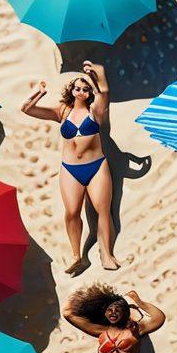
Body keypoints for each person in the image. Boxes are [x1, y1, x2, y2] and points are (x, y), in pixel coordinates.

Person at [21, 62, 119, 274]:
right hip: (70, 169)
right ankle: (76, 255)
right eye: (77, 88)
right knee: (72, 212)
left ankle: (107, 253)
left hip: (96, 166)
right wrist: (40, 92)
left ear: (89, 92)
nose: (81, 91)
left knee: (103, 210)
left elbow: (105, 90)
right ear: (71, 91)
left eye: (85, 88)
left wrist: (96, 72)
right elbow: (26, 108)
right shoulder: (62, 111)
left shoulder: (96, 110)